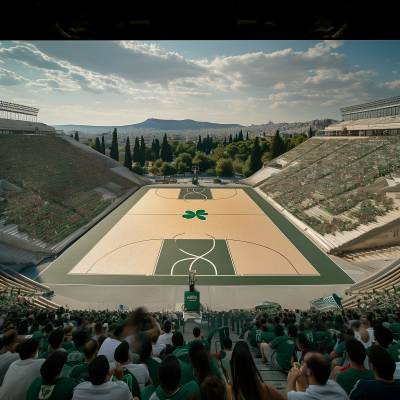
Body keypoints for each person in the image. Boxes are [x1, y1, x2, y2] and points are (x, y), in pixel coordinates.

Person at [284, 350, 349, 399]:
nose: (302, 366)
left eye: (304, 364)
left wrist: (292, 376)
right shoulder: (334, 384)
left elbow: (286, 396)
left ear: (309, 371)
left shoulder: (309, 395)